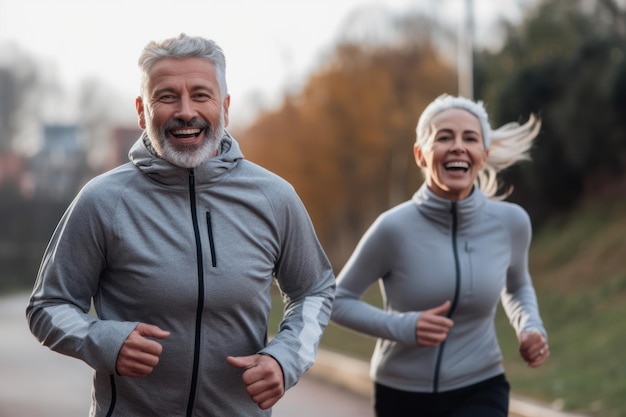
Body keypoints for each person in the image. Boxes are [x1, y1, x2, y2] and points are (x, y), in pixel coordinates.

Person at [26, 33, 335, 417]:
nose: (185, 111)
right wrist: (102, 339)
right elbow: (47, 306)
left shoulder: (274, 197)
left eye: (201, 95)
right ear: (142, 110)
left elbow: (315, 290)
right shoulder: (102, 200)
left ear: (224, 106)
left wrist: (285, 359)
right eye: (167, 96)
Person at [330, 94, 549, 417]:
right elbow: (338, 300)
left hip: (481, 385)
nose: (458, 146)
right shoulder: (393, 228)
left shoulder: (511, 223)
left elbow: (516, 287)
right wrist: (404, 326)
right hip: (402, 393)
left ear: (483, 155)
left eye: (470, 138)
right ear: (421, 155)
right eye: (444, 137)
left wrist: (530, 327)